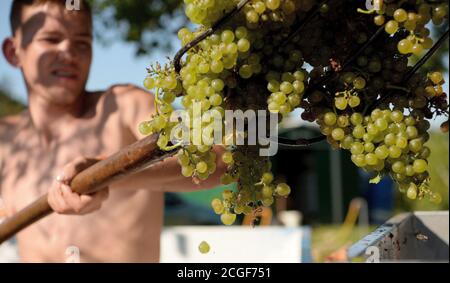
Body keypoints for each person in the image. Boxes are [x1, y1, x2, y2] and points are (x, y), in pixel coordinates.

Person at [0, 0, 226, 263]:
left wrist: (107, 175)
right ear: (13, 52)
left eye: (82, 42)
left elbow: (215, 161)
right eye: (51, 39)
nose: (69, 52)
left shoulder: (124, 105)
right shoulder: (6, 139)